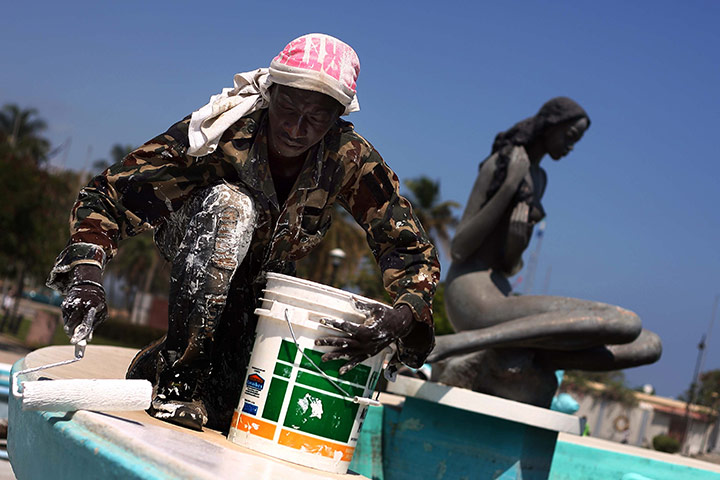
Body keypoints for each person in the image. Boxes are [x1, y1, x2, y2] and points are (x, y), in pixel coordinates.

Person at [47, 34, 440, 431]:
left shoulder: (349, 158)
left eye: (316, 117)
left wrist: (402, 317)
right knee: (233, 208)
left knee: (235, 400)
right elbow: (109, 195)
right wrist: (86, 278)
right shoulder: (220, 132)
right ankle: (178, 381)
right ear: (270, 93)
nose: (296, 128)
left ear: (337, 117)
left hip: (263, 274)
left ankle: (165, 365)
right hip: (198, 242)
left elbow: (410, 249)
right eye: (287, 106)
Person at [428, 97, 661, 406]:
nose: (570, 146)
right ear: (551, 125)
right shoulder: (504, 161)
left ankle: (531, 356)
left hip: (500, 290)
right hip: (471, 295)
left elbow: (509, 264)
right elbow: (459, 249)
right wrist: (509, 187)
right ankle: (460, 343)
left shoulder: (540, 178)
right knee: (626, 323)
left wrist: (516, 239)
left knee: (648, 345)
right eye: (569, 136)